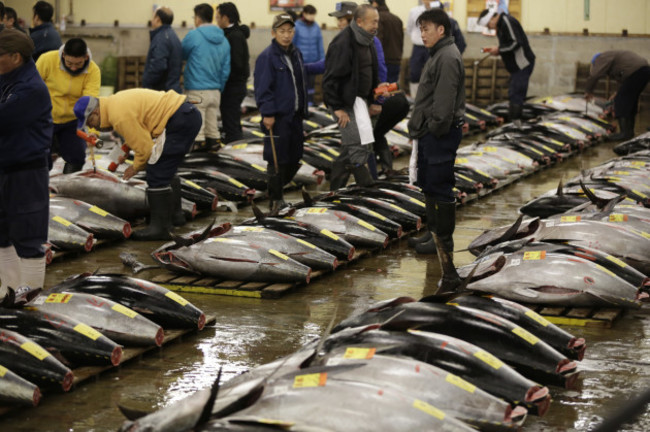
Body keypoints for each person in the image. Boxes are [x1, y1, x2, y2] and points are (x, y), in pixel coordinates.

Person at [74, 89, 202, 240]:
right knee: (165, 167)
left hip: (179, 119)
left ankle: (160, 228)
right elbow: (141, 129)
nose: (94, 128)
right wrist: (127, 149)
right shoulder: (115, 104)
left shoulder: (118, 116)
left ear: (95, 112)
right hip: (185, 114)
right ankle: (175, 217)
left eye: (91, 122)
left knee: (156, 171)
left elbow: (145, 150)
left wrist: (134, 167)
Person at [407, 8, 465, 292]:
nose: (423, 34)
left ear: (441, 29)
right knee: (430, 186)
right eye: (421, 29)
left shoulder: (448, 56)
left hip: (439, 134)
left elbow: (443, 105)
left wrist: (433, 127)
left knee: (440, 188)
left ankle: (446, 247)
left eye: (427, 28)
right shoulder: (439, 54)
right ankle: (434, 238)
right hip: (430, 133)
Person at [0, 29, 53, 305]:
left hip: (26, 171)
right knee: (3, 232)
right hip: (6, 168)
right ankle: (8, 291)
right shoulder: (7, 78)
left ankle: (32, 300)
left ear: (15, 57)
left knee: (28, 233)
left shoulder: (30, 88)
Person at [323, 4, 381, 191]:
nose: (376, 25)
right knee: (355, 141)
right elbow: (330, 78)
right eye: (373, 22)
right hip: (343, 102)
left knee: (364, 142)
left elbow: (372, 72)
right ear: (359, 22)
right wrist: (337, 107)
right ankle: (366, 186)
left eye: (377, 21)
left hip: (360, 101)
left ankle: (335, 188)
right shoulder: (343, 43)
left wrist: (374, 99)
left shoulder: (368, 40)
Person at [254, 13, 308, 212]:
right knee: (276, 158)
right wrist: (267, 113)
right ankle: (276, 199)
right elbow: (262, 88)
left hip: (295, 116)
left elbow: (301, 83)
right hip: (277, 117)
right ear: (273, 32)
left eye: (289, 31)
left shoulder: (296, 53)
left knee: (295, 157)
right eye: (282, 31)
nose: (286, 35)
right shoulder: (267, 57)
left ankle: (273, 190)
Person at [36, 38, 101, 173]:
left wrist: (93, 132)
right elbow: (33, 89)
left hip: (73, 120)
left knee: (77, 157)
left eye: (78, 63)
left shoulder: (93, 70)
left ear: (86, 57)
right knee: (39, 157)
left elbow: (90, 102)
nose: (73, 67)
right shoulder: (46, 60)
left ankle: (67, 187)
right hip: (45, 117)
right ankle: (41, 187)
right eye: (69, 63)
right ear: (63, 55)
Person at [182, 3, 230, 152]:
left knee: (197, 135)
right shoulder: (224, 39)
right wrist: (219, 87)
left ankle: (198, 168)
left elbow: (181, 54)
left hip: (196, 90)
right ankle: (214, 165)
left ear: (197, 18)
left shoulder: (193, 35)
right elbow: (226, 69)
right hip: (215, 91)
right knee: (213, 132)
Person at [478, 8, 535, 125]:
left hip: (522, 64)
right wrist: (498, 50)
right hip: (516, 67)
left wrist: (499, 50)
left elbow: (515, 43)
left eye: (489, 25)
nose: (490, 28)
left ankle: (515, 125)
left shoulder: (506, 21)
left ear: (492, 18)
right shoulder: (502, 25)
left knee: (516, 94)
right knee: (514, 93)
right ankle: (514, 122)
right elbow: (508, 44)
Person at [585, 51, 650, 141]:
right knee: (631, 101)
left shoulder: (601, 58)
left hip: (635, 72)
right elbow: (623, 80)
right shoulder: (616, 59)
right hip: (644, 70)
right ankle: (629, 132)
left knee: (620, 102)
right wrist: (617, 93)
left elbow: (594, 75)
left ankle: (624, 133)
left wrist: (588, 91)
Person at [217, 2, 250, 144]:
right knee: (232, 121)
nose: (217, 20)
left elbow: (237, 64)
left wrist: (225, 79)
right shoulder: (231, 34)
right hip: (234, 85)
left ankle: (234, 149)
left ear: (226, 18)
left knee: (231, 124)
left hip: (233, 86)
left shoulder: (234, 36)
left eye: (218, 17)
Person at [142, 6, 183, 93]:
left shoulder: (161, 38)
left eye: (153, 17)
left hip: (161, 93)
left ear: (157, 19)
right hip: (172, 90)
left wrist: (147, 83)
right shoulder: (173, 36)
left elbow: (158, 65)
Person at [293, 4, 324, 106]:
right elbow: (293, 43)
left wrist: (322, 59)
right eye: (310, 14)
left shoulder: (316, 27)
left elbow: (319, 43)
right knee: (301, 84)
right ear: (304, 14)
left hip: (313, 62)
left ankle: (310, 103)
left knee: (312, 84)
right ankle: (300, 103)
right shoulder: (296, 26)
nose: (312, 17)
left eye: (313, 15)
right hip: (301, 62)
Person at [370, 0, 403, 84]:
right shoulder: (397, 19)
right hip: (396, 61)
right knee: (392, 92)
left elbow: (377, 43)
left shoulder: (377, 19)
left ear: (374, 3)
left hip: (383, 62)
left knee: (383, 92)